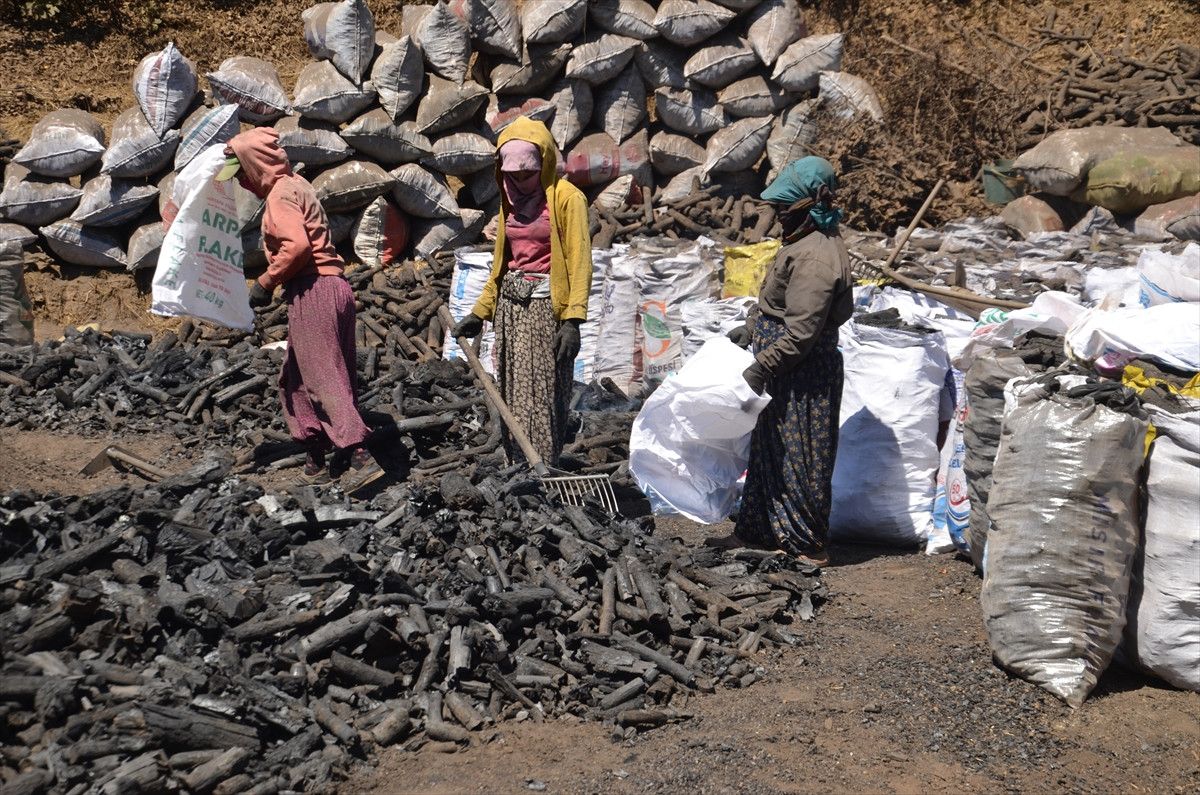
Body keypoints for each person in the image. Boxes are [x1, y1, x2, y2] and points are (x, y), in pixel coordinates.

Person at [219, 127, 373, 481]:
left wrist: (264, 282)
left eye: (242, 172)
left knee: (323, 378)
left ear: (256, 165)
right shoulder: (298, 184)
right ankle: (316, 455)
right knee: (297, 378)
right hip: (332, 287)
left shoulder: (279, 196)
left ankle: (360, 457)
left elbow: (298, 248)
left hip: (313, 289)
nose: (241, 182)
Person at [726, 156, 853, 567]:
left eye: (784, 209)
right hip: (784, 370)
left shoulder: (816, 258)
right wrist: (752, 326)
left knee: (800, 458)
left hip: (800, 374)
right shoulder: (801, 244)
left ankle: (803, 542)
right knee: (770, 450)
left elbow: (802, 331)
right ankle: (760, 532)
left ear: (806, 207)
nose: (778, 217)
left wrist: (764, 364)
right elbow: (778, 307)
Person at [451, 117, 592, 466]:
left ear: (544, 163)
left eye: (525, 174)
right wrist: (479, 313)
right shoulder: (509, 200)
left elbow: (579, 261)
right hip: (511, 312)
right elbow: (501, 264)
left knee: (541, 395)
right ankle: (517, 466)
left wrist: (573, 320)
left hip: (545, 312)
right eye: (511, 174)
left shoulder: (566, 199)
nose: (517, 181)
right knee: (513, 391)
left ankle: (541, 466)